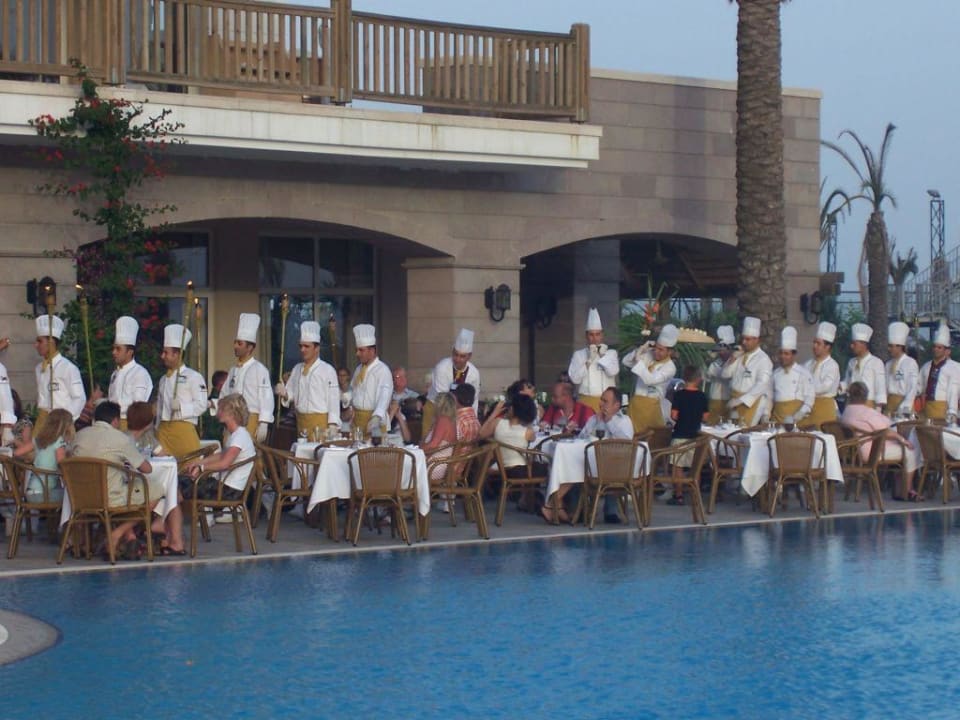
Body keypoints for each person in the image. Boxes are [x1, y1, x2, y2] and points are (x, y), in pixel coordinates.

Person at [73, 401, 167, 558]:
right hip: (111, 497)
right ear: (116, 420)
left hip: (81, 498)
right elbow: (146, 469)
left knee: (130, 489)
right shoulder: (119, 438)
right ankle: (118, 533)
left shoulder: (79, 435)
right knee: (156, 489)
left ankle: (126, 536)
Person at [180, 394, 257, 531]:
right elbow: (222, 455)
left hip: (227, 491)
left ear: (231, 414)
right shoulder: (238, 434)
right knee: (181, 482)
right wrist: (198, 462)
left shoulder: (239, 436)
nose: (218, 412)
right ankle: (176, 525)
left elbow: (224, 463)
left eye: (221, 409)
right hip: (226, 487)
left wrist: (201, 467)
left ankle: (168, 527)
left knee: (179, 484)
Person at [840, 381, 919, 501]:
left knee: (900, 448)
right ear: (866, 396)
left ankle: (898, 485)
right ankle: (907, 490)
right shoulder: (867, 413)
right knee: (910, 451)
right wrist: (902, 439)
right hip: (872, 452)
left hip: (855, 452)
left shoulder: (846, 412)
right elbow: (885, 430)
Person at [479, 394, 548, 518]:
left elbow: (481, 434)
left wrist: (494, 413)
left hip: (502, 467)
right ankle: (541, 504)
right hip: (521, 470)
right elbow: (532, 443)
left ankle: (525, 500)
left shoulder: (497, 423)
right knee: (546, 466)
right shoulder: (528, 432)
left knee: (533, 464)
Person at [578, 386, 635, 523]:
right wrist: (596, 423)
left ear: (616, 405)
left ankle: (611, 511)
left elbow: (627, 442)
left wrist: (609, 421)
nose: (601, 404)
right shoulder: (594, 418)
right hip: (592, 463)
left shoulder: (624, 420)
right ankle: (579, 509)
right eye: (601, 400)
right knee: (576, 466)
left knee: (613, 467)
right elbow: (581, 438)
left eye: (605, 401)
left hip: (616, 465)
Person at [276, 321, 341, 440]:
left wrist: (333, 424)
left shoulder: (327, 370)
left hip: (321, 424)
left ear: (317, 348)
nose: (302, 349)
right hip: (301, 423)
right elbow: (291, 395)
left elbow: (333, 400)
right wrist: (284, 394)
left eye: (307, 346)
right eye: (301, 346)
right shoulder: (297, 369)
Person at [155, 323, 208, 461]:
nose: (162, 356)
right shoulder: (163, 379)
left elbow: (202, 405)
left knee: (190, 466)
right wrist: (156, 427)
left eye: (166, 352)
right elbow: (160, 408)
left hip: (184, 429)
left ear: (177, 354)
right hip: (163, 431)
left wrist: (181, 407)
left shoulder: (193, 376)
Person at [224, 313, 274, 442]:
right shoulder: (233, 370)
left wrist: (264, 422)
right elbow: (224, 394)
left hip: (251, 420)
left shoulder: (259, 369)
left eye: (239, 344)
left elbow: (266, 397)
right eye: (235, 343)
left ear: (250, 347)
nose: (235, 346)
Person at [664, 366, 709, 505]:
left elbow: (674, 415)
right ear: (698, 379)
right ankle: (696, 495)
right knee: (696, 468)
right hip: (695, 436)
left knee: (677, 467)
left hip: (680, 435)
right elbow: (705, 417)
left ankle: (679, 495)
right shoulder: (702, 396)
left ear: (684, 378)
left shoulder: (679, 395)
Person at [622, 324, 679, 433]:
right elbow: (626, 361)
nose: (656, 351)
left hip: (652, 409)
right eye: (656, 347)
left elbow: (649, 380)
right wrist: (640, 350)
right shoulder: (649, 354)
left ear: (669, 352)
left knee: (651, 440)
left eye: (661, 350)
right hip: (636, 406)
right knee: (631, 438)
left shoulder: (670, 367)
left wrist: (638, 360)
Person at [33, 314, 85, 432]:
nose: (36, 345)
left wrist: (65, 420)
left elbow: (79, 399)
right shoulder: (38, 368)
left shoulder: (68, 368)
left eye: (40, 341)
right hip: (42, 422)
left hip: (61, 423)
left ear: (51, 342)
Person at [423, 329, 481, 431]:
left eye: (462, 356)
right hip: (435, 407)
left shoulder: (474, 373)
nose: (457, 359)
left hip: (460, 411)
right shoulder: (442, 367)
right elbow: (443, 398)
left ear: (469, 356)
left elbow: (474, 399)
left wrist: (472, 421)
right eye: (455, 354)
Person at [12, 407, 72, 505]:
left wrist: (30, 461)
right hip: (44, 495)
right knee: (72, 496)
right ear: (65, 426)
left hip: (30, 492)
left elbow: (16, 453)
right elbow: (63, 466)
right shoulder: (59, 442)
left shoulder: (39, 439)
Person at [722, 316, 773, 427]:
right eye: (743, 339)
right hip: (733, 401)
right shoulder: (740, 354)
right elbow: (725, 374)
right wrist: (733, 358)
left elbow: (761, 385)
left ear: (757, 340)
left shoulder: (763, 359)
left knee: (744, 432)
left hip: (750, 404)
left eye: (748, 339)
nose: (744, 342)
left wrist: (741, 400)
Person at [105, 316, 154, 431]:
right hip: (112, 423)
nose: (114, 352)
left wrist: (114, 407)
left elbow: (138, 404)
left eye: (118, 349)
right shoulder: (114, 374)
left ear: (130, 352)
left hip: (130, 424)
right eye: (114, 349)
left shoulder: (140, 373)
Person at [567, 307, 619, 413]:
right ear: (586, 336)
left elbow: (613, 371)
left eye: (597, 334)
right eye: (591, 334)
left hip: (607, 402)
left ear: (602, 335)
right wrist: (589, 360)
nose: (594, 338)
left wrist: (602, 355)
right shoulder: (579, 354)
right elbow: (575, 379)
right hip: (586, 401)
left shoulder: (611, 353)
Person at [348, 324, 392, 440]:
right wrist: (347, 397)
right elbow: (353, 389)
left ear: (372, 350)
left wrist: (377, 417)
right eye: (357, 350)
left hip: (374, 422)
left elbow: (384, 396)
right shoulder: (358, 369)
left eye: (361, 350)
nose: (357, 354)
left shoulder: (383, 370)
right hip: (357, 422)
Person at [771, 326, 815, 425]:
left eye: (786, 354)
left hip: (798, 421)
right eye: (781, 353)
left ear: (794, 355)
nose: (782, 356)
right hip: (777, 419)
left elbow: (809, 399)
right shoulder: (775, 374)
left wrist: (800, 414)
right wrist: (766, 414)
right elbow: (769, 397)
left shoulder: (804, 373)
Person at [917, 322, 960, 422]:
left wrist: (952, 411)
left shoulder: (954, 367)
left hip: (944, 410)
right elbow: (919, 387)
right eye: (935, 347)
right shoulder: (926, 366)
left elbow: (953, 390)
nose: (936, 349)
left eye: (939, 348)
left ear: (947, 351)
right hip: (927, 408)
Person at [803, 321, 841, 429]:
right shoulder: (807, 364)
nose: (814, 346)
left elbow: (825, 387)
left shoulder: (832, 365)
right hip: (808, 408)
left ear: (827, 347)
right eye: (814, 343)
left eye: (818, 344)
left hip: (824, 409)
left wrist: (806, 390)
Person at [844, 323, 887, 410]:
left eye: (854, 344)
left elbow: (880, 388)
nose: (852, 346)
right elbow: (847, 381)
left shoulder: (876, 362)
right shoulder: (851, 362)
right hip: (851, 404)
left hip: (868, 405)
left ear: (863, 344)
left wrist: (878, 409)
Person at [885, 321, 919, 418]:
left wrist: (905, 407)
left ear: (900, 347)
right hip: (889, 405)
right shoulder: (888, 364)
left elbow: (913, 387)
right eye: (889, 346)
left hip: (904, 404)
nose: (889, 349)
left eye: (892, 346)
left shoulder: (910, 363)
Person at [705, 325, 735, 424]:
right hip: (715, 400)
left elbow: (726, 374)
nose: (721, 352)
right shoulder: (715, 363)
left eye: (724, 350)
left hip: (729, 400)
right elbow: (708, 375)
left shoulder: (735, 362)